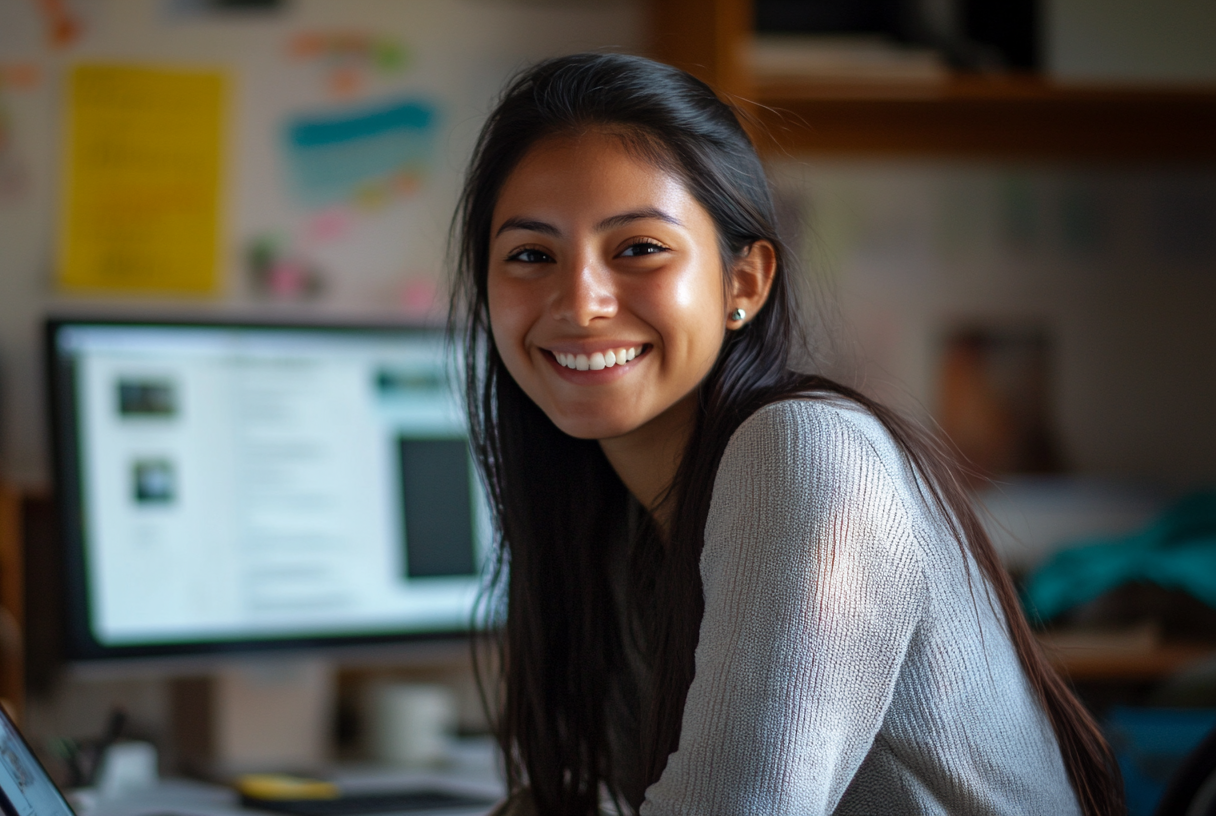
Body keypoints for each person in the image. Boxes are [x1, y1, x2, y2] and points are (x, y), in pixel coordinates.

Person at [449, 53, 1123, 816]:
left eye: (638, 248)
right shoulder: (609, 515)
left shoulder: (802, 453)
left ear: (744, 282)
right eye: (531, 256)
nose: (580, 302)